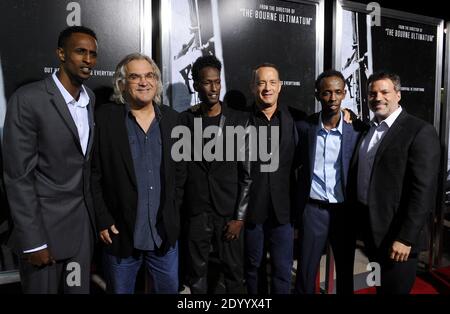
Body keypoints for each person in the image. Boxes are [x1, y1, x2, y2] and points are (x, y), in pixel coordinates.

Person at [2, 26, 98, 293]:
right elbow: (18, 177)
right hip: (44, 233)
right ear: (61, 54)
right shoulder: (28, 99)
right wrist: (33, 242)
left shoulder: (89, 99)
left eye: (93, 54)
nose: (88, 60)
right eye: (80, 51)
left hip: (81, 232)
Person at [91, 53, 181, 294]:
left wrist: (174, 214)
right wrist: (102, 218)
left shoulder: (173, 120)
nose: (144, 82)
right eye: (135, 77)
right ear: (122, 83)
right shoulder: (105, 119)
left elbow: (181, 175)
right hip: (121, 236)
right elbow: (94, 175)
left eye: (149, 75)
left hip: (164, 238)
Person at [348, 71, 440, 294]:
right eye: (372, 93)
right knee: (379, 287)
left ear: (398, 95)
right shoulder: (368, 130)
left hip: (397, 239)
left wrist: (406, 238)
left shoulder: (419, 131)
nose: (378, 97)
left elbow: (423, 191)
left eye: (384, 92)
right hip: (371, 234)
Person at [178, 55, 251, 294]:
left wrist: (239, 217)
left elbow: (247, 174)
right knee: (196, 274)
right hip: (197, 211)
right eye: (207, 82)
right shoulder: (185, 120)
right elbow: (180, 170)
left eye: (217, 82)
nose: (213, 88)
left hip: (228, 211)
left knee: (233, 273)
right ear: (197, 85)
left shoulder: (239, 120)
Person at [294, 70, 364, 294]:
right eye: (326, 93)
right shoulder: (305, 127)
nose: (332, 98)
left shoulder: (357, 129)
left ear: (344, 94)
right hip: (313, 210)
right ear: (317, 95)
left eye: (337, 92)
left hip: (344, 212)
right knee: (305, 272)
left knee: (345, 272)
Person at [245, 63, 297, 294]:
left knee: (283, 269)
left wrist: (348, 113)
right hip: (251, 212)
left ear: (280, 87)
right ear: (253, 87)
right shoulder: (239, 120)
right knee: (252, 268)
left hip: (283, 212)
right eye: (261, 82)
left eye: (272, 82)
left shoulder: (296, 119)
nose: (267, 88)